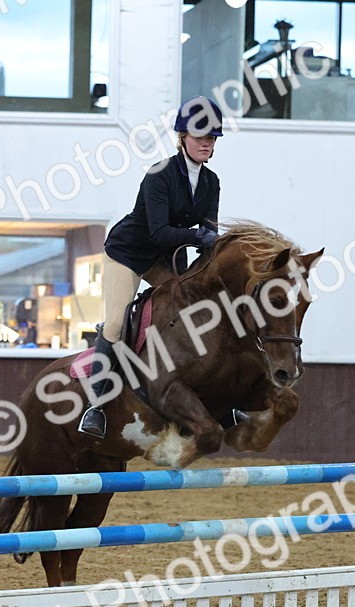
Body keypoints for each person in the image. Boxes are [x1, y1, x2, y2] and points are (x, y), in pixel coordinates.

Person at [77, 96, 225, 439]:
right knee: (116, 321)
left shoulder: (211, 182)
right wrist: (197, 236)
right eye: (199, 135)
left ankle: (203, 396)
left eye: (212, 137)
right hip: (128, 252)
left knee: (195, 312)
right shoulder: (159, 174)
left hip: (166, 257)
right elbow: (160, 232)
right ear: (182, 137)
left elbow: (208, 235)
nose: (206, 142)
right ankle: (95, 406)